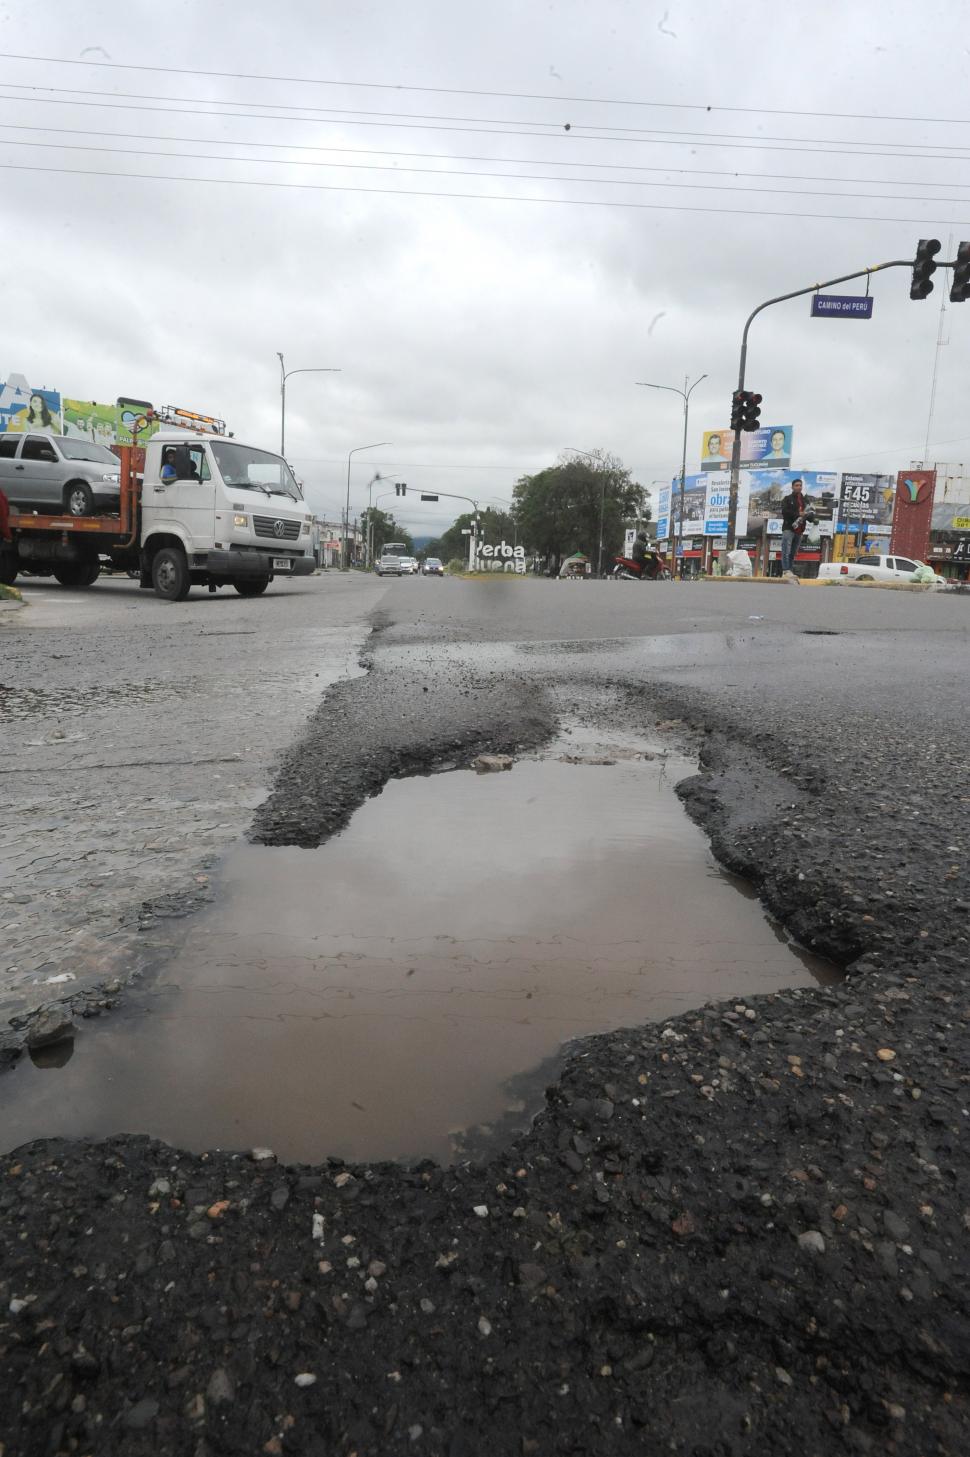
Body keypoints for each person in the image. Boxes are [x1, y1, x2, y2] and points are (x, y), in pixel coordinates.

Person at [781, 479, 808, 576]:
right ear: (792, 487)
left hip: (800, 530)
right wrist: (798, 514)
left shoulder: (805, 500)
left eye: (800, 485)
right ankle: (785, 570)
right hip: (789, 528)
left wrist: (811, 516)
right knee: (786, 550)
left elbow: (808, 513)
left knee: (793, 552)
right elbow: (784, 512)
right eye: (796, 485)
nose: (799, 487)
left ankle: (790, 571)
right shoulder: (787, 499)